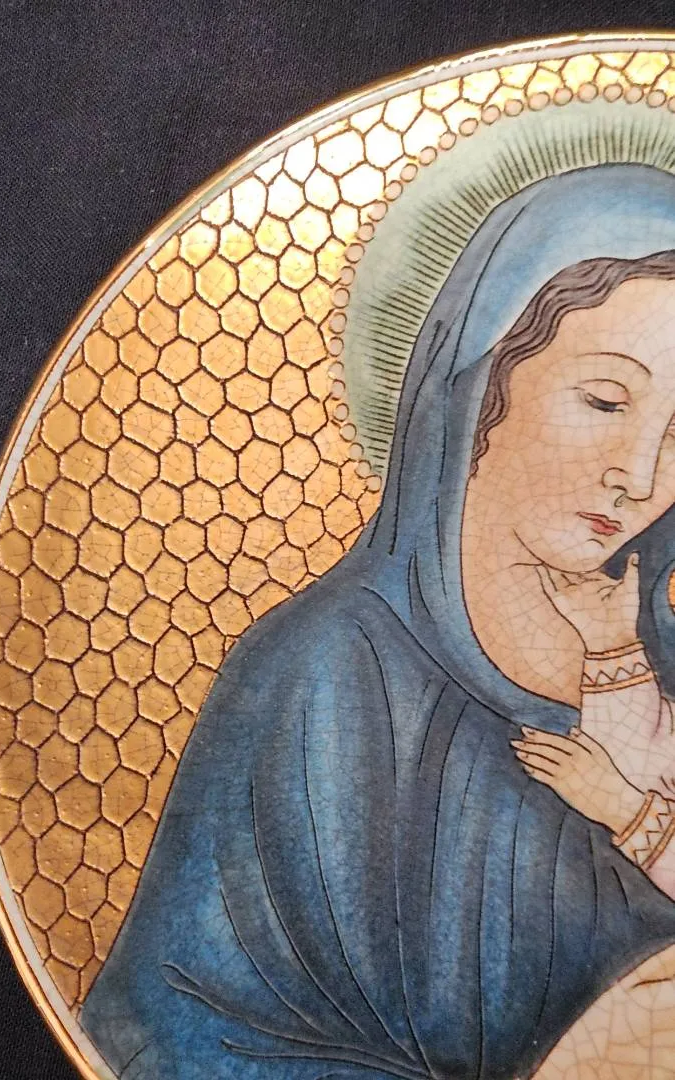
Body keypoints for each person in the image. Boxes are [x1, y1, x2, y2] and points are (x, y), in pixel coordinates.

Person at [81, 163, 675, 1079]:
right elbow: (168, 1041)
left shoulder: (660, 663)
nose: (638, 474)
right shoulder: (319, 675)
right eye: (604, 401)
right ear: (480, 388)